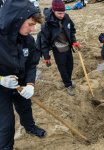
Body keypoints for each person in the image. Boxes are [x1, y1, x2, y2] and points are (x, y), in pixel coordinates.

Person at [0, 0, 46, 149]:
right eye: (30, 24)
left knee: (26, 108)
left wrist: (30, 84)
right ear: (16, 20)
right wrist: (1, 79)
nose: (32, 29)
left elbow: (32, 64)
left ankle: (30, 127)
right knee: (6, 125)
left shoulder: (28, 40)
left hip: (21, 84)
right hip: (1, 89)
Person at [38, 0, 81, 96]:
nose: (62, 15)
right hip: (58, 49)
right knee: (63, 69)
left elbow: (71, 30)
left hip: (68, 47)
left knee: (70, 67)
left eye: (63, 12)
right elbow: (43, 41)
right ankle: (67, 85)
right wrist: (46, 57)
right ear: (53, 10)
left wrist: (74, 41)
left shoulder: (66, 17)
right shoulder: (47, 22)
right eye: (59, 13)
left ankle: (68, 82)